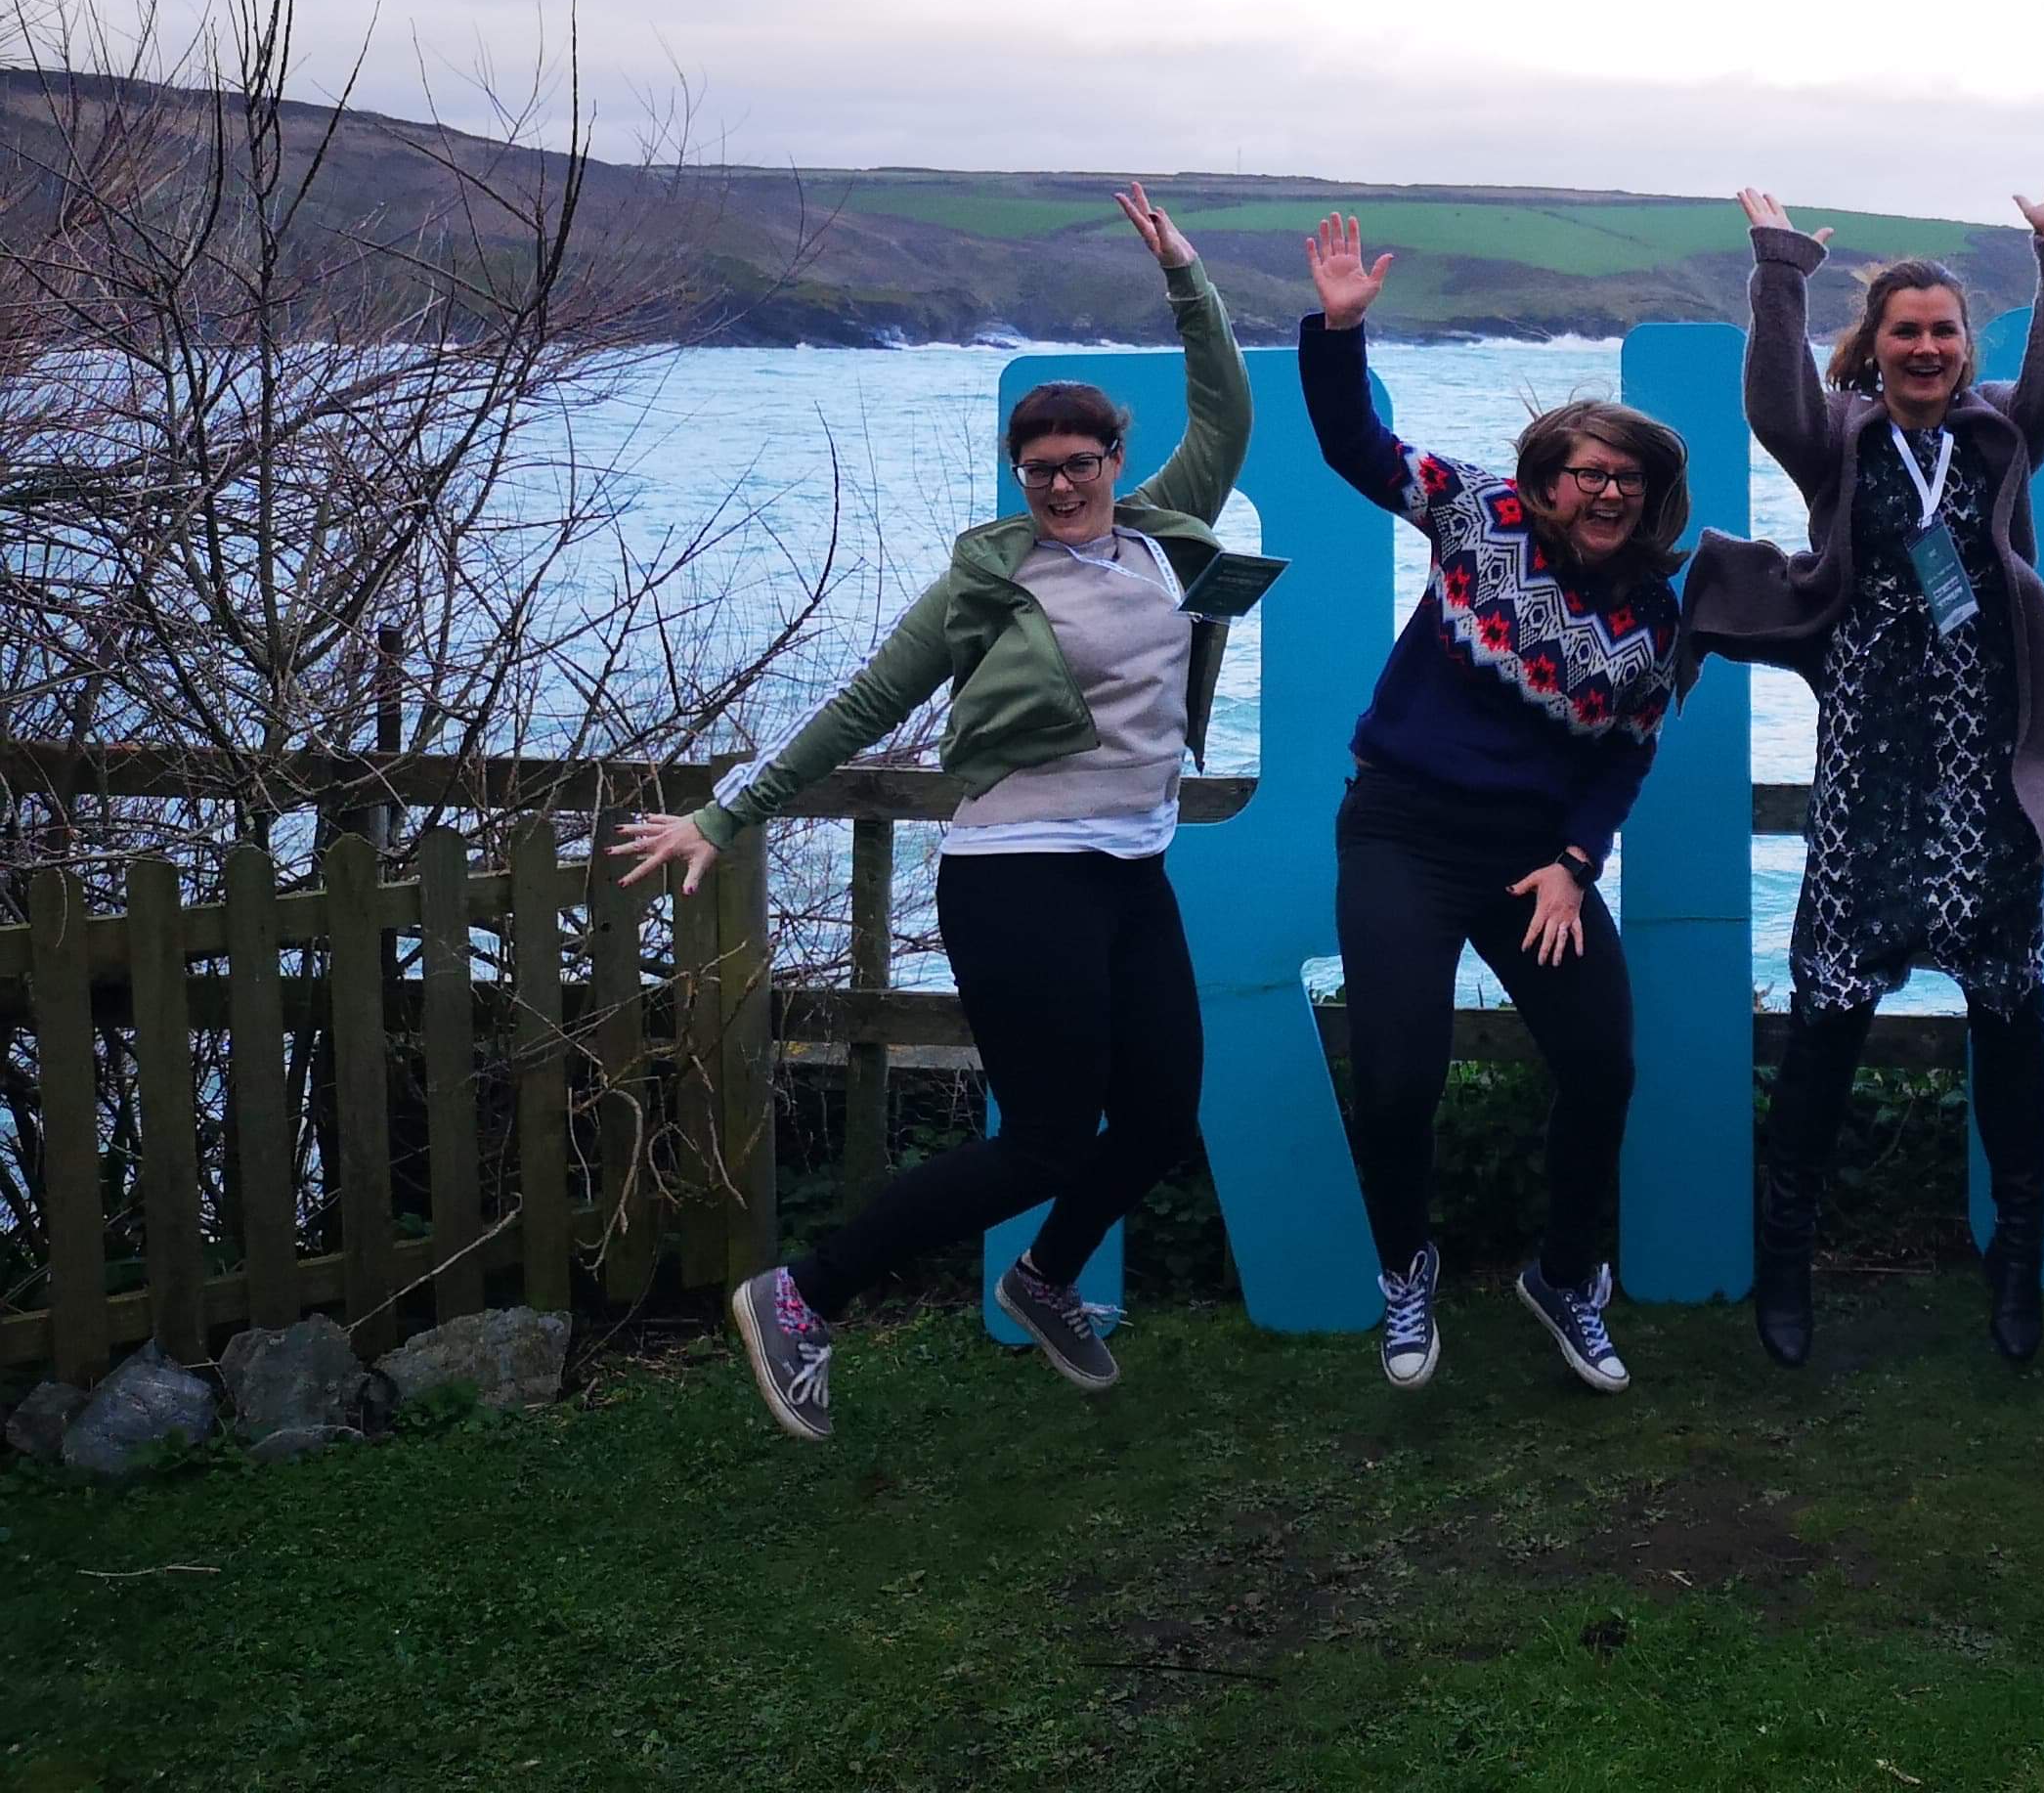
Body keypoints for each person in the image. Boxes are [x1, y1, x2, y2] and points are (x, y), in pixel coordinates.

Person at [614, 187, 1252, 1444]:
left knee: (1165, 1115)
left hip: (1130, 871)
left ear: (1117, 462)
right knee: (1050, 1138)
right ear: (1019, 477)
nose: (1061, 485)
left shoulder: (1167, 539)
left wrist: (1185, 272)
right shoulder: (988, 581)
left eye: (1080, 465)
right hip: (1018, 873)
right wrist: (724, 816)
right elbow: (862, 705)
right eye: (1038, 471)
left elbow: (1227, 403)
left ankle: (1046, 1278)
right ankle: (802, 1296)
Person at [1681, 173, 2044, 1369]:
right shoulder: (1842, 441)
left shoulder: (2002, 432)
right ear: (1875, 349)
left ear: (1968, 350)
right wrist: (1778, 269)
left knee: (2010, 1016)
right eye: (1905, 331)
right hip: (1867, 770)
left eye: (1944, 331)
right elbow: (1772, 403)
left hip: (1986, 771)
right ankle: (1785, 1266)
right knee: (1827, 1019)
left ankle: (2017, 1267)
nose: (1925, 347)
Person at [1298, 213, 1686, 1396]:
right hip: (1404, 831)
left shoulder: (1657, 618)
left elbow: (1623, 757)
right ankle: (1405, 1267)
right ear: (1546, 479)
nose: (1607, 490)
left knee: (1603, 1065)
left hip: (1535, 860)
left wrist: (1578, 860)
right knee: (1400, 1073)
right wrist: (1338, 331)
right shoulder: (1476, 514)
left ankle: (1568, 1277)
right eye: (1589, 472)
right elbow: (1355, 447)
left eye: (1629, 477)